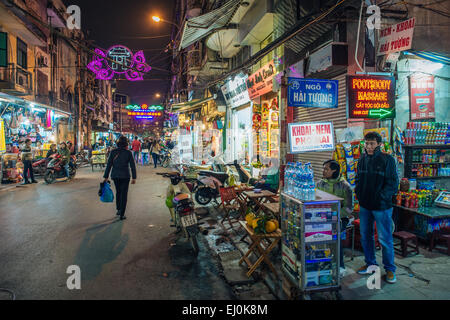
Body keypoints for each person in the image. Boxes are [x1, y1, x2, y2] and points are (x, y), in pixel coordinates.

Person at [355, 131, 399, 284]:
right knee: (366, 237)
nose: (368, 146)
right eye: (366, 143)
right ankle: (371, 264)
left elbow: (393, 184)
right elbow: (358, 179)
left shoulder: (388, 160)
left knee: (385, 239)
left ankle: (390, 269)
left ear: (379, 144)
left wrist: (381, 196)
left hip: (382, 207)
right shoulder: (362, 159)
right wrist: (359, 194)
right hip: (365, 206)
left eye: (372, 143)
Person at [317, 160, 353, 277]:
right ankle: (321, 261)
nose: (323, 171)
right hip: (323, 216)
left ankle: (340, 265)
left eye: (326, 169)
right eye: (324, 169)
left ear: (334, 171)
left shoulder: (345, 186)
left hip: (340, 218)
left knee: (334, 234)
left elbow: (348, 209)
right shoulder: (320, 184)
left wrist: (334, 215)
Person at [103, 136, 137, 220]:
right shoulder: (128, 153)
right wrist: (134, 177)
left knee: (118, 192)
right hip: (125, 176)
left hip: (115, 175)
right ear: (126, 143)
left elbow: (109, 164)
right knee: (124, 194)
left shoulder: (113, 152)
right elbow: (132, 166)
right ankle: (122, 214)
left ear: (117, 143)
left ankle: (118, 209)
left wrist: (106, 176)